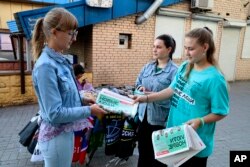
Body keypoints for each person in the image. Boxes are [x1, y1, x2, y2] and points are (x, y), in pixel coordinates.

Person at [133, 27, 229, 167]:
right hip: (175, 135)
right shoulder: (185, 66)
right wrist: (146, 98)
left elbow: (221, 111)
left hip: (195, 143)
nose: (186, 53)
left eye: (191, 49)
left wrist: (200, 121)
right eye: (185, 48)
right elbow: (172, 90)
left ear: (205, 47)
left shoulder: (215, 79)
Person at [31, 7, 106, 167]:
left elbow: (66, 95)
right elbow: (54, 114)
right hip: (56, 137)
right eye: (71, 33)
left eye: (75, 33)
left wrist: (83, 98)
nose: (74, 39)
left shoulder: (60, 60)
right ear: (54, 32)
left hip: (65, 132)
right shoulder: (46, 66)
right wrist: (89, 111)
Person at [135, 34, 178, 167]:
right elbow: (137, 84)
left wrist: (153, 96)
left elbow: (175, 97)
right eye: (154, 46)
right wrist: (140, 88)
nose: (154, 49)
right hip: (144, 118)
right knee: (143, 154)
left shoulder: (175, 71)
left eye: (158, 47)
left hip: (161, 121)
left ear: (169, 49)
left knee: (159, 158)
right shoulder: (147, 67)